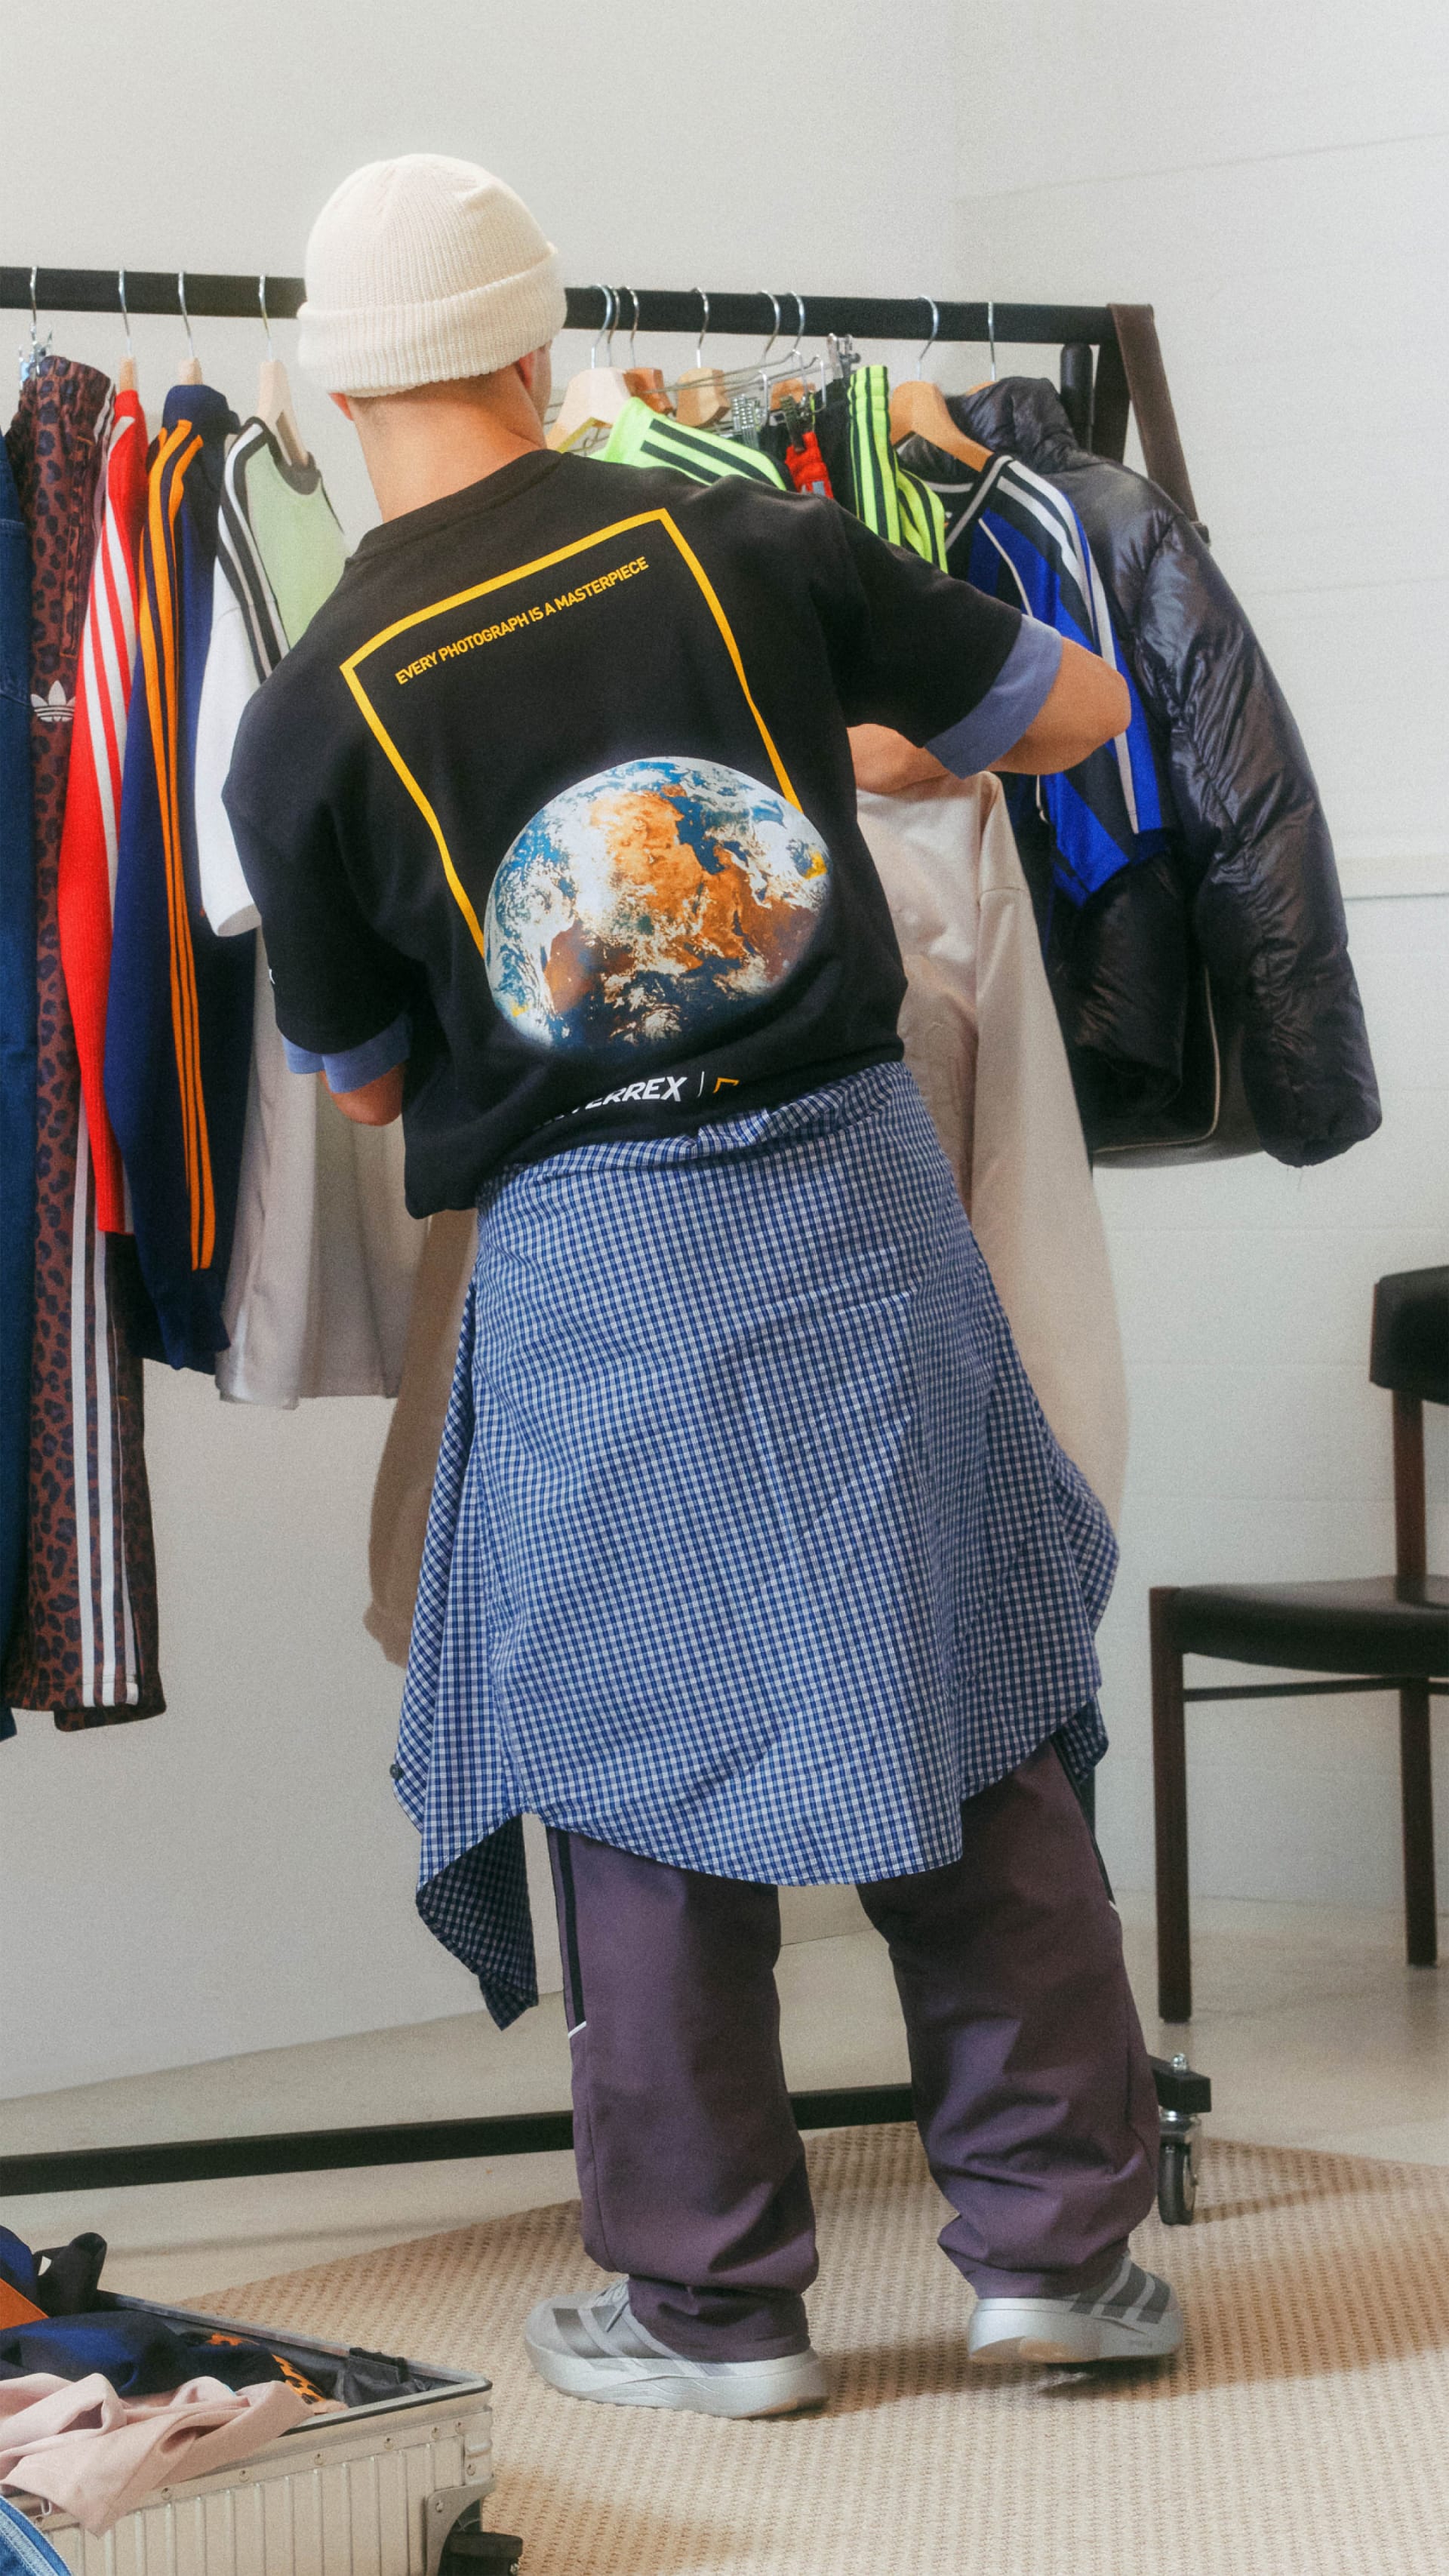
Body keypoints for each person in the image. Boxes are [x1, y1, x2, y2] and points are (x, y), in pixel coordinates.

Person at [226, 153, 1181, 2421]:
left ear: (331, 395)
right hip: (850, 1206)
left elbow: (363, 1094)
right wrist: (829, 757)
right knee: (963, 1702)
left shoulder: (310, 715)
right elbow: (1063, 719)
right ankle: (1053, 2263)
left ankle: (713, 2314)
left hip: (593, 1265)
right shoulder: (738, 537)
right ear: (538, 345)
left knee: (639, 1775)